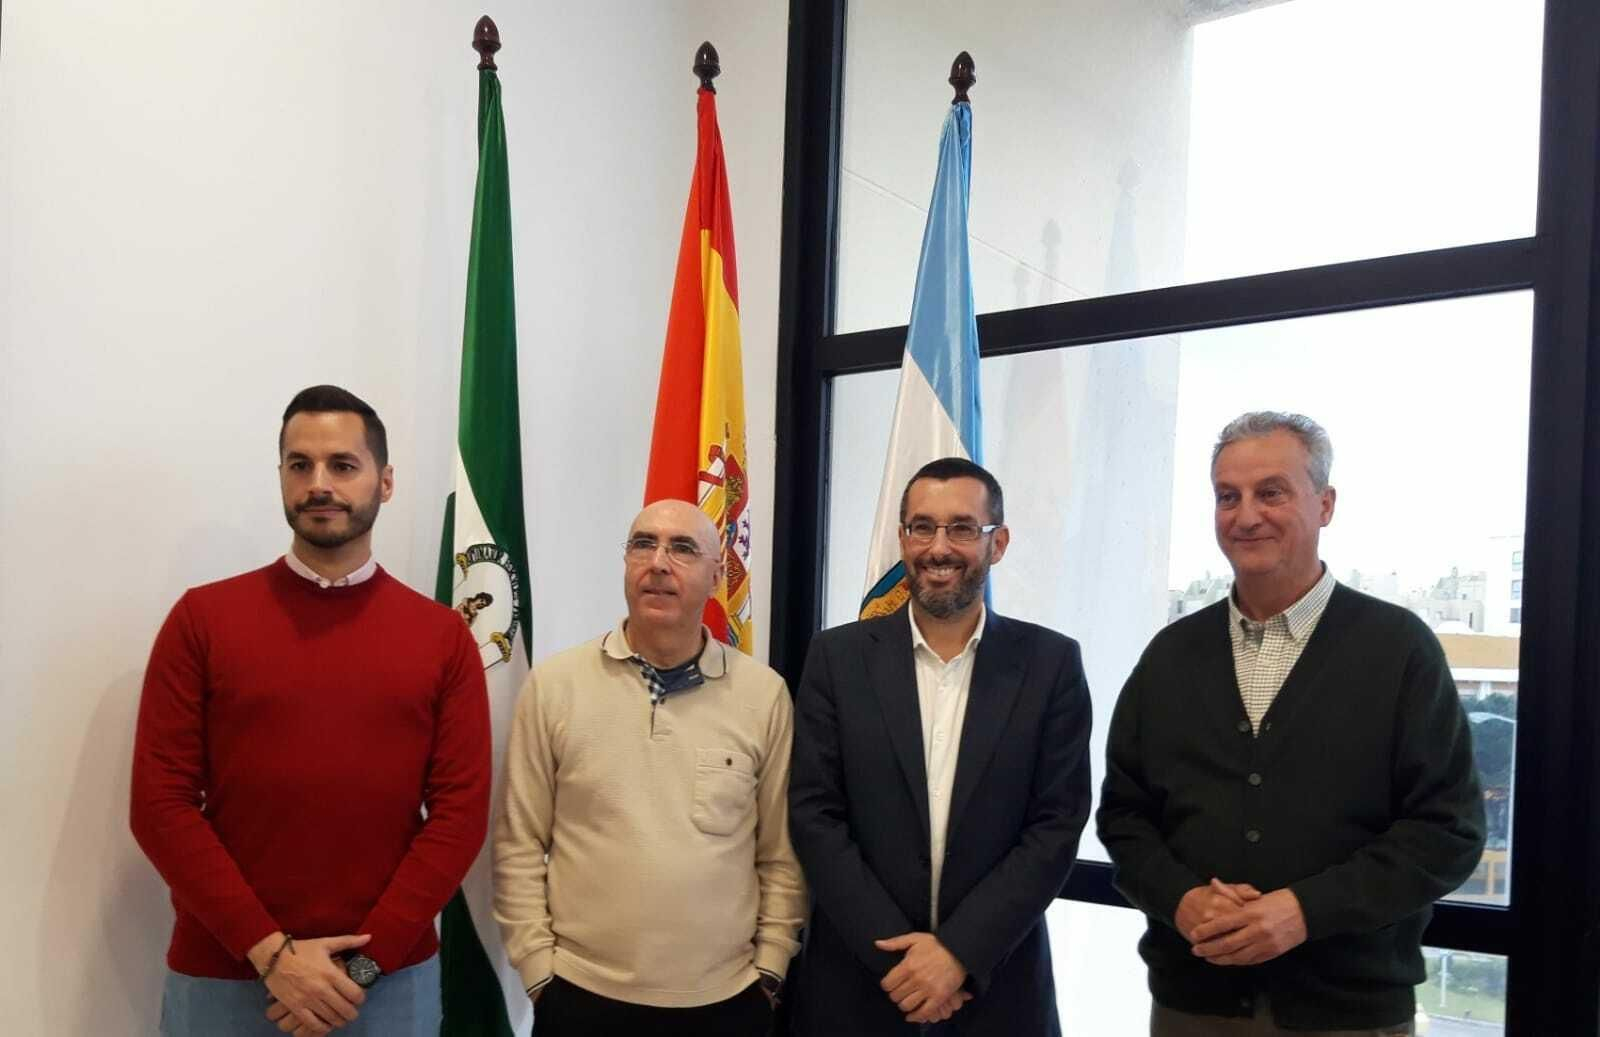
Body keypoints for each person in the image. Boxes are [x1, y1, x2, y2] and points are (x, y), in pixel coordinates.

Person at [1098, 411, 1486, 1036]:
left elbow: (1449, 831)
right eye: (1228, 496)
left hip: (1348, 1013)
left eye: (1270, 492)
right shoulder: (1170, 656)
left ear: (1325, 504)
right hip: (1193, 1005)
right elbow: (1124, 815)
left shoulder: (1399, 650)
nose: (1245, 515)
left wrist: (1304, 911)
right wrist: (1181, 898)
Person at [130, 384, 492, 1037]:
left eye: (342, 465)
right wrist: (272, 954)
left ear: (384, 482)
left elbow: (461, 816)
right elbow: (160, 805)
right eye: (300, 465)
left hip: (385, 986)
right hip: (225, 976)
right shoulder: (201, 620)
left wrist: (361, 971)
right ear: (281, 478)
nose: (318, 482)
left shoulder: (442, 638)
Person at [788, 457, 1094, 1035]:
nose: (939, 547)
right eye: (922, 527)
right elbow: (814, 815)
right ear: (903, 538)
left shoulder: (1050, 664)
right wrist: (904, 966)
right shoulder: (837, 658)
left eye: (962, 528)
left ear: (997, 543)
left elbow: (1055, 826)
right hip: (860, 988)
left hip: (997, 988)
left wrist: (957, 955)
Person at [493, 498, 804, 1037]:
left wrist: (771, 967)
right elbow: (518, 842)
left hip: (726, 1002)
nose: (658, 562)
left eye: (683, 548)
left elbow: (781, 853)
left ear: (716, 574)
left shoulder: (764, 695)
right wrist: (539, 971)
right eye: (643, 544)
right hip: (580, 996)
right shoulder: (555, 687)